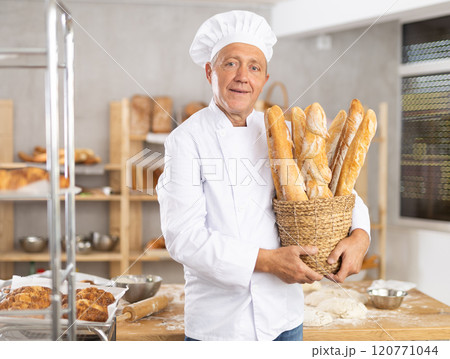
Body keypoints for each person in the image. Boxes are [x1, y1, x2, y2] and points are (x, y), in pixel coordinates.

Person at [156, 10, 370, 341]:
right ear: (210, 71)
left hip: (285, 320)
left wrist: (361, 235)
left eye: (254, 66)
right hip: (219, 327)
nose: (243, 76)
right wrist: (267, 261)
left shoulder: (282, 132)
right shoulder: (186, 141)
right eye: (231, 63)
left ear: (264, 79)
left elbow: (333, 192)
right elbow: (184, 237)